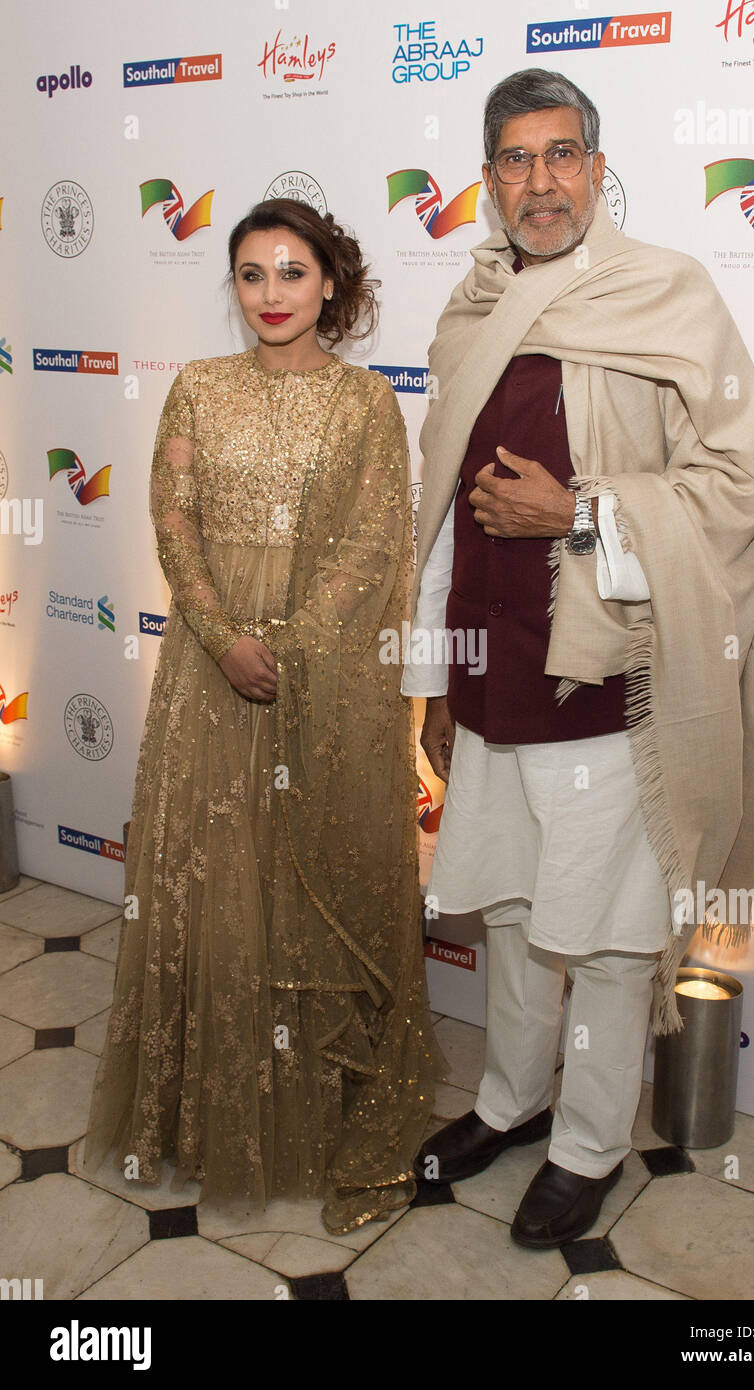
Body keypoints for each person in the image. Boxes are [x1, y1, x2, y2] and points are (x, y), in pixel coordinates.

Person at [404, 69, 754, 1248]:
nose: (541, 182)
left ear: (596, 166)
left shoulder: (664, 297)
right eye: (516, 160)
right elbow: (436, 512)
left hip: (605, 686)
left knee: (616, 931)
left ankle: (586, 1144)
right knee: (519, 915)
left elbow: (734, 491)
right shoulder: (472, 309)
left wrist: (579, 511)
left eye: (562, 154)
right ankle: (509, 1103)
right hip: (488, 677)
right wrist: (432, 676)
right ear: (489, 181)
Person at [84, 199, 445, 1235]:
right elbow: (172, 521)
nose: (271, 295)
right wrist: (220, 634)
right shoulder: (196, 389)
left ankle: (313, 1100)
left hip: (321, 681)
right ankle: (204, 1114)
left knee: (300, 868)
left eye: (291, 273)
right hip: (210, 671)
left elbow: (374, 545)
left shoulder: (368, 401)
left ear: (330, 283)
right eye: (251, 275)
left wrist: (285, 650)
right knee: (215, 875)